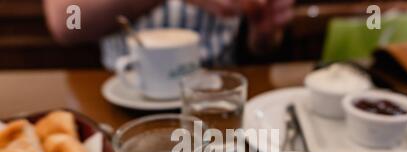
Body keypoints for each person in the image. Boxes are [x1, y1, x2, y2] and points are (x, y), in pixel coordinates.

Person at [44, 0, 295, 69]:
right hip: (123, 86)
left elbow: (262, 46)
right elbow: (66, 22)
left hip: (216, 94)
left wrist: (263, 32)